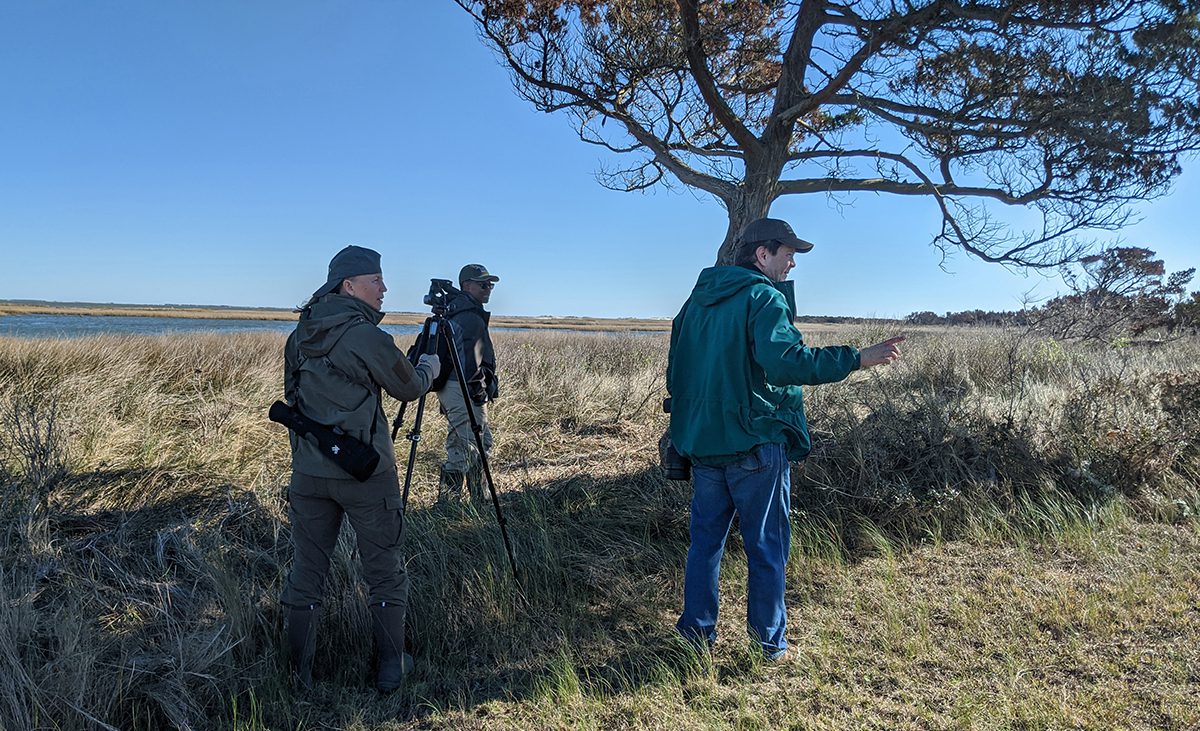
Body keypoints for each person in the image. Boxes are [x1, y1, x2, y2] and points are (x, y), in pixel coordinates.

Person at [666, 218, 904, 661]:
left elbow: (676, 375)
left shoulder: (692, 305)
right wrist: (858, 357)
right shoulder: (762, 296)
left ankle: (695, 638)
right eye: (788, 252)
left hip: (702, 446)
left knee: (705, 546)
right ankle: (769, 645)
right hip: (757, 442)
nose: (793, 262)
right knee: (767, 546)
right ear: (762, 254)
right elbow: (787, 363)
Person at [280, 245, 441, 692]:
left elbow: (294, 396)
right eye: (376, 280)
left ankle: (298, 675)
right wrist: (429, 366)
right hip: (366, 473)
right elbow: (408, 388)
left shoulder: (300, 335)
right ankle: (392, 667)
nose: (384, 288)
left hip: (310, 473)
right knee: (384, 570)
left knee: (306, 572)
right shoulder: (365, 336)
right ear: (349, 286)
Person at [435, 264, 500, 503]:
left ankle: (479, 499)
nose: (488, 288)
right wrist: (479, 392)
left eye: (490, 284)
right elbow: (467, 363)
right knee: (463, 446)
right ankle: (448, 505)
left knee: (481, 443)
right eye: (483, 284)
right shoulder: (468, 314)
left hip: (460, 388)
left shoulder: (460, 310)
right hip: (462, 388)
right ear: (466, 286)